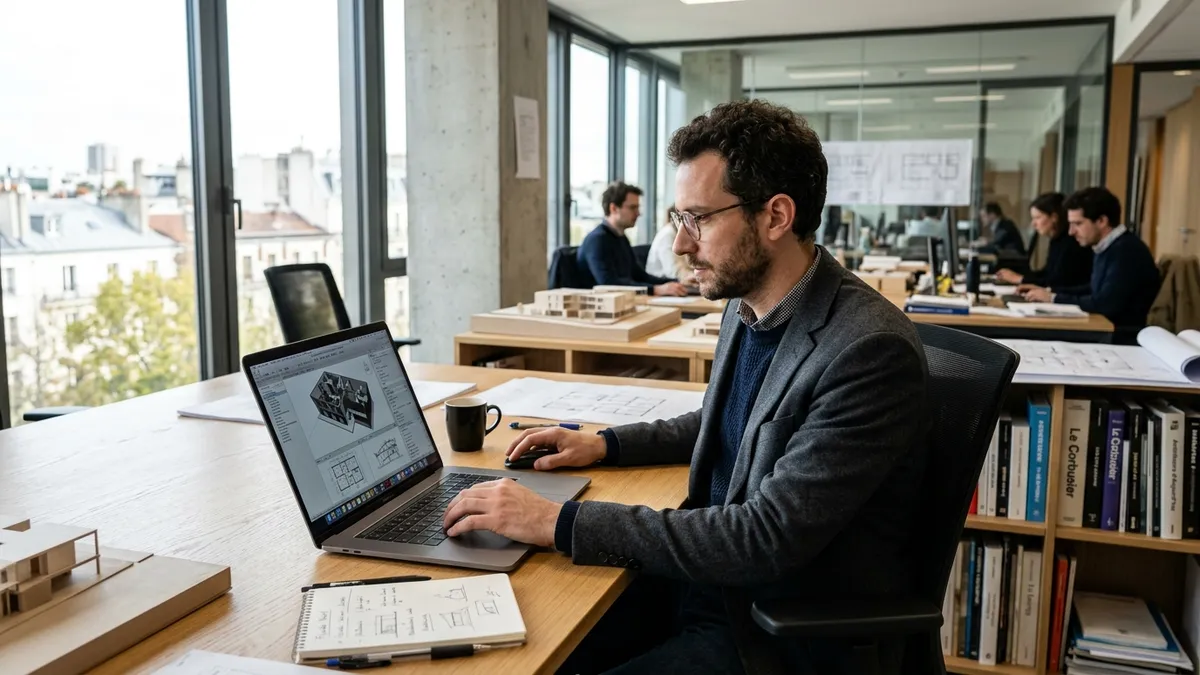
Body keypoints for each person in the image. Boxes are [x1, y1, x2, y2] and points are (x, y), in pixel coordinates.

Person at [441, 99, 931, 674]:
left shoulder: (867, 350)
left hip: (767, 630)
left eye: (698, 219)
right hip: (699, 585)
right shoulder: (748, 304)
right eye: (680, 219)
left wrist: (556, 521)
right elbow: (729, 423)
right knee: (514, 639)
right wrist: (604, 444)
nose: (679, 244)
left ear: (775, 217)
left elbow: (763, 538)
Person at [1021, 186, 1160, 336]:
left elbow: (1104, 304)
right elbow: (1094, 289)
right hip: (1104, 329)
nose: (1071, 232)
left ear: (1101, 221)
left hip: (1119, 335)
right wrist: (1049, 292)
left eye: (1078, 224)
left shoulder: (1126, 251)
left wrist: (1054, 298)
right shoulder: (1107, 246)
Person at [577, 182, 688, 296]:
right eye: (633, 207)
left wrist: (679, 282)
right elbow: (608, 283)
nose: (638, 213)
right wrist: (655, 290)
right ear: (613, 208)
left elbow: (640, 276)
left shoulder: (621, 238)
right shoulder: (597, 240)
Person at [995, 192, 1092, 288]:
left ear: (1054, 217)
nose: (1033, 224)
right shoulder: (1056, 239)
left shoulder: (1072, 242)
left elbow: (1057, 282)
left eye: (1037, 218)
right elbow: (1047, 273)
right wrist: (1019, 277)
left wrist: (1020, 279)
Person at [645, 207, 693, 281]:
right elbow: (672, 271)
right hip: (661, 282)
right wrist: (691, 276)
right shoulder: (667, 234)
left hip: (676, 280)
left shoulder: (677, 231)